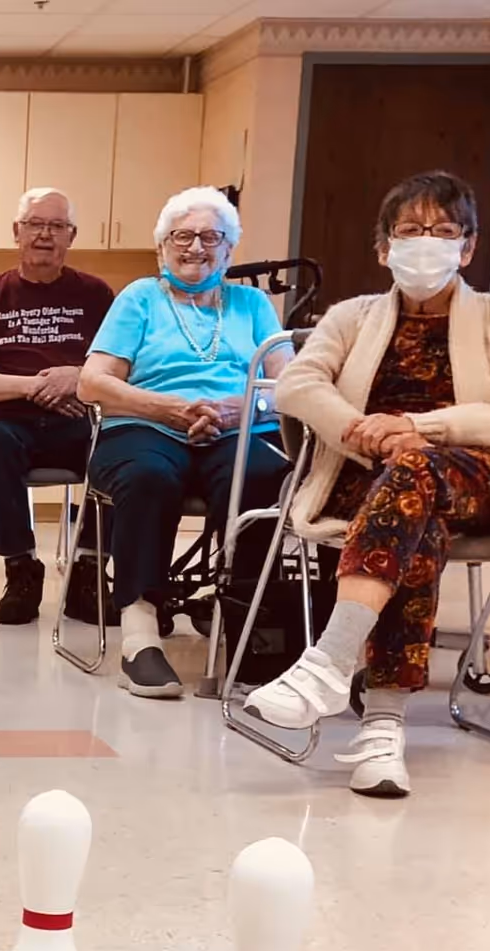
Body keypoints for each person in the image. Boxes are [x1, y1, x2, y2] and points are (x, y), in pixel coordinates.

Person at [246, 170, 490, 799]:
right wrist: (362, 430)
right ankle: (383, 725)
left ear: (468, 247)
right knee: (413, 508)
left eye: (443, 232)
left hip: (477, 476)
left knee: (416, 475)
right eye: (411, 231)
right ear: (384, 247)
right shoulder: (353, 317)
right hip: (370, 475)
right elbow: (298, 385)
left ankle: (331, 665)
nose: (427, 244)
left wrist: (421, 427)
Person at [77, 186, 294, 698]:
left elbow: (292, 385)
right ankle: (140, 636)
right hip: (144, 428)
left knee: (264, 478)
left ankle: (249, 633)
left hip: (237, 430)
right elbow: (93, 382)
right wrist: (168, 408)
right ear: (162, 248)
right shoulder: (139, 298)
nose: (196, 247)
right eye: (183, 236)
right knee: (149, 477)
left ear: (229, 250)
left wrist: (239, 408)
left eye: (211, 237)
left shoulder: (253, 304)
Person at [0, 188, 114, 625]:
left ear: (72, 236)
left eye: (56, 226)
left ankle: (88, 570)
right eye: (36, 225)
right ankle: (21, 569)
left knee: (124, 449)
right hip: (10, 425)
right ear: (17, 232)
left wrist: (75, 377)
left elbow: (123, 369)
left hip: (78, 423)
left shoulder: (97, 296)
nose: (45, 235)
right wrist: (34, 386)